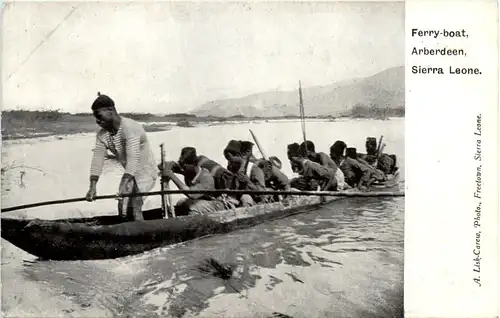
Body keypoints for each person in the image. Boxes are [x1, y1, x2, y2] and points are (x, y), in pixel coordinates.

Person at [86, 93, 158, 221]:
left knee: (135, 205)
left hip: (145, 172)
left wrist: (123, 185)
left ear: (111, 111)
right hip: (129, 174)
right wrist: (92, 187)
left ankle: (140, 237)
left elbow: (133, 159)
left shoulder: (130, 127)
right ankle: (127, 233)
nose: (98, 121)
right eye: (95, 118)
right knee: (123, 209)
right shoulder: (102, 135)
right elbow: (97, 159)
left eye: (99, 116)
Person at [160, 161, 226, 216]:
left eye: (184, 166)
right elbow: (183, 171)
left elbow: (191, 194)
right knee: (181, 203)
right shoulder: (193, 172)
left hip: (219, 203)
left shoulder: (206, 178)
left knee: (193, 207)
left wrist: (171, 175)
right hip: (206, 200)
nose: (182, 169)